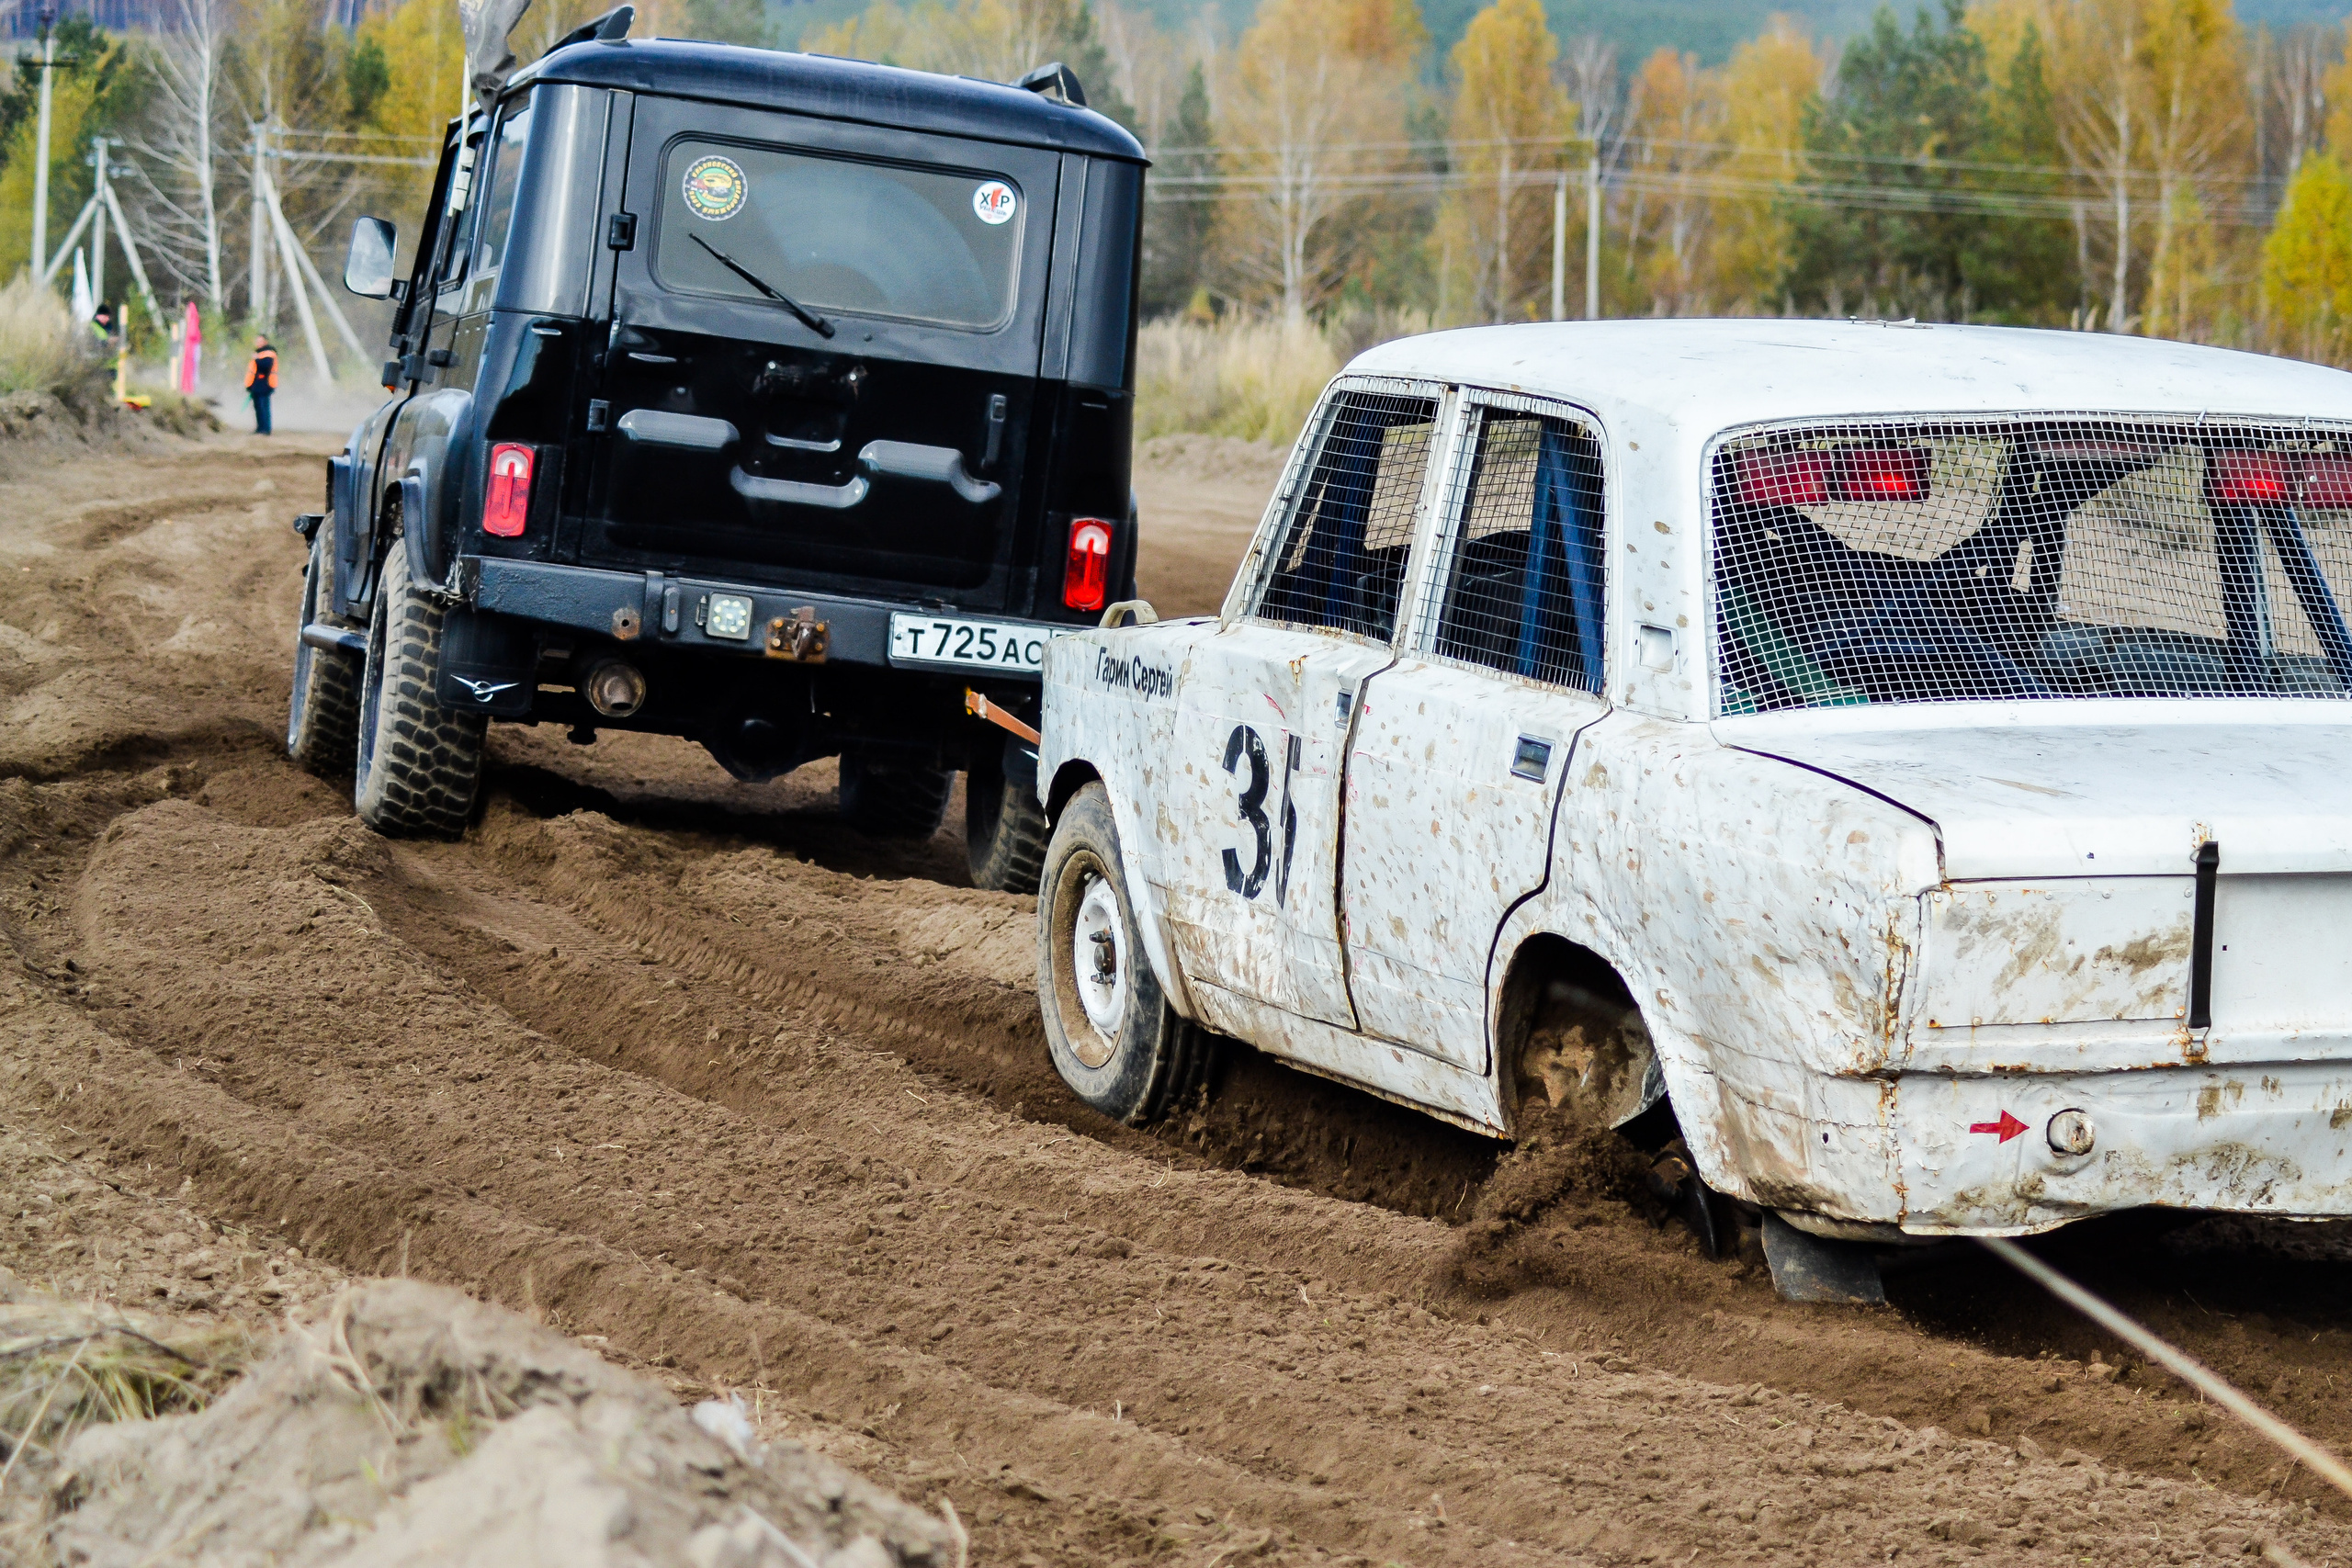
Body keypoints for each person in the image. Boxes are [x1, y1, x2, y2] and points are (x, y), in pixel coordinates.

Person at [245, 335, 277, 435]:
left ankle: (265, 429)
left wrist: (257, 359)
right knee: (258, 408)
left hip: (265, 385)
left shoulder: (269, 353)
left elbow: (265, 367)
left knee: (264, 408)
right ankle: (260, 428)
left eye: (260, 341)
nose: (258, 343)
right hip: (256, 385)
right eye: (257, 341)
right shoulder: (259, 353)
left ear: (265, 342)